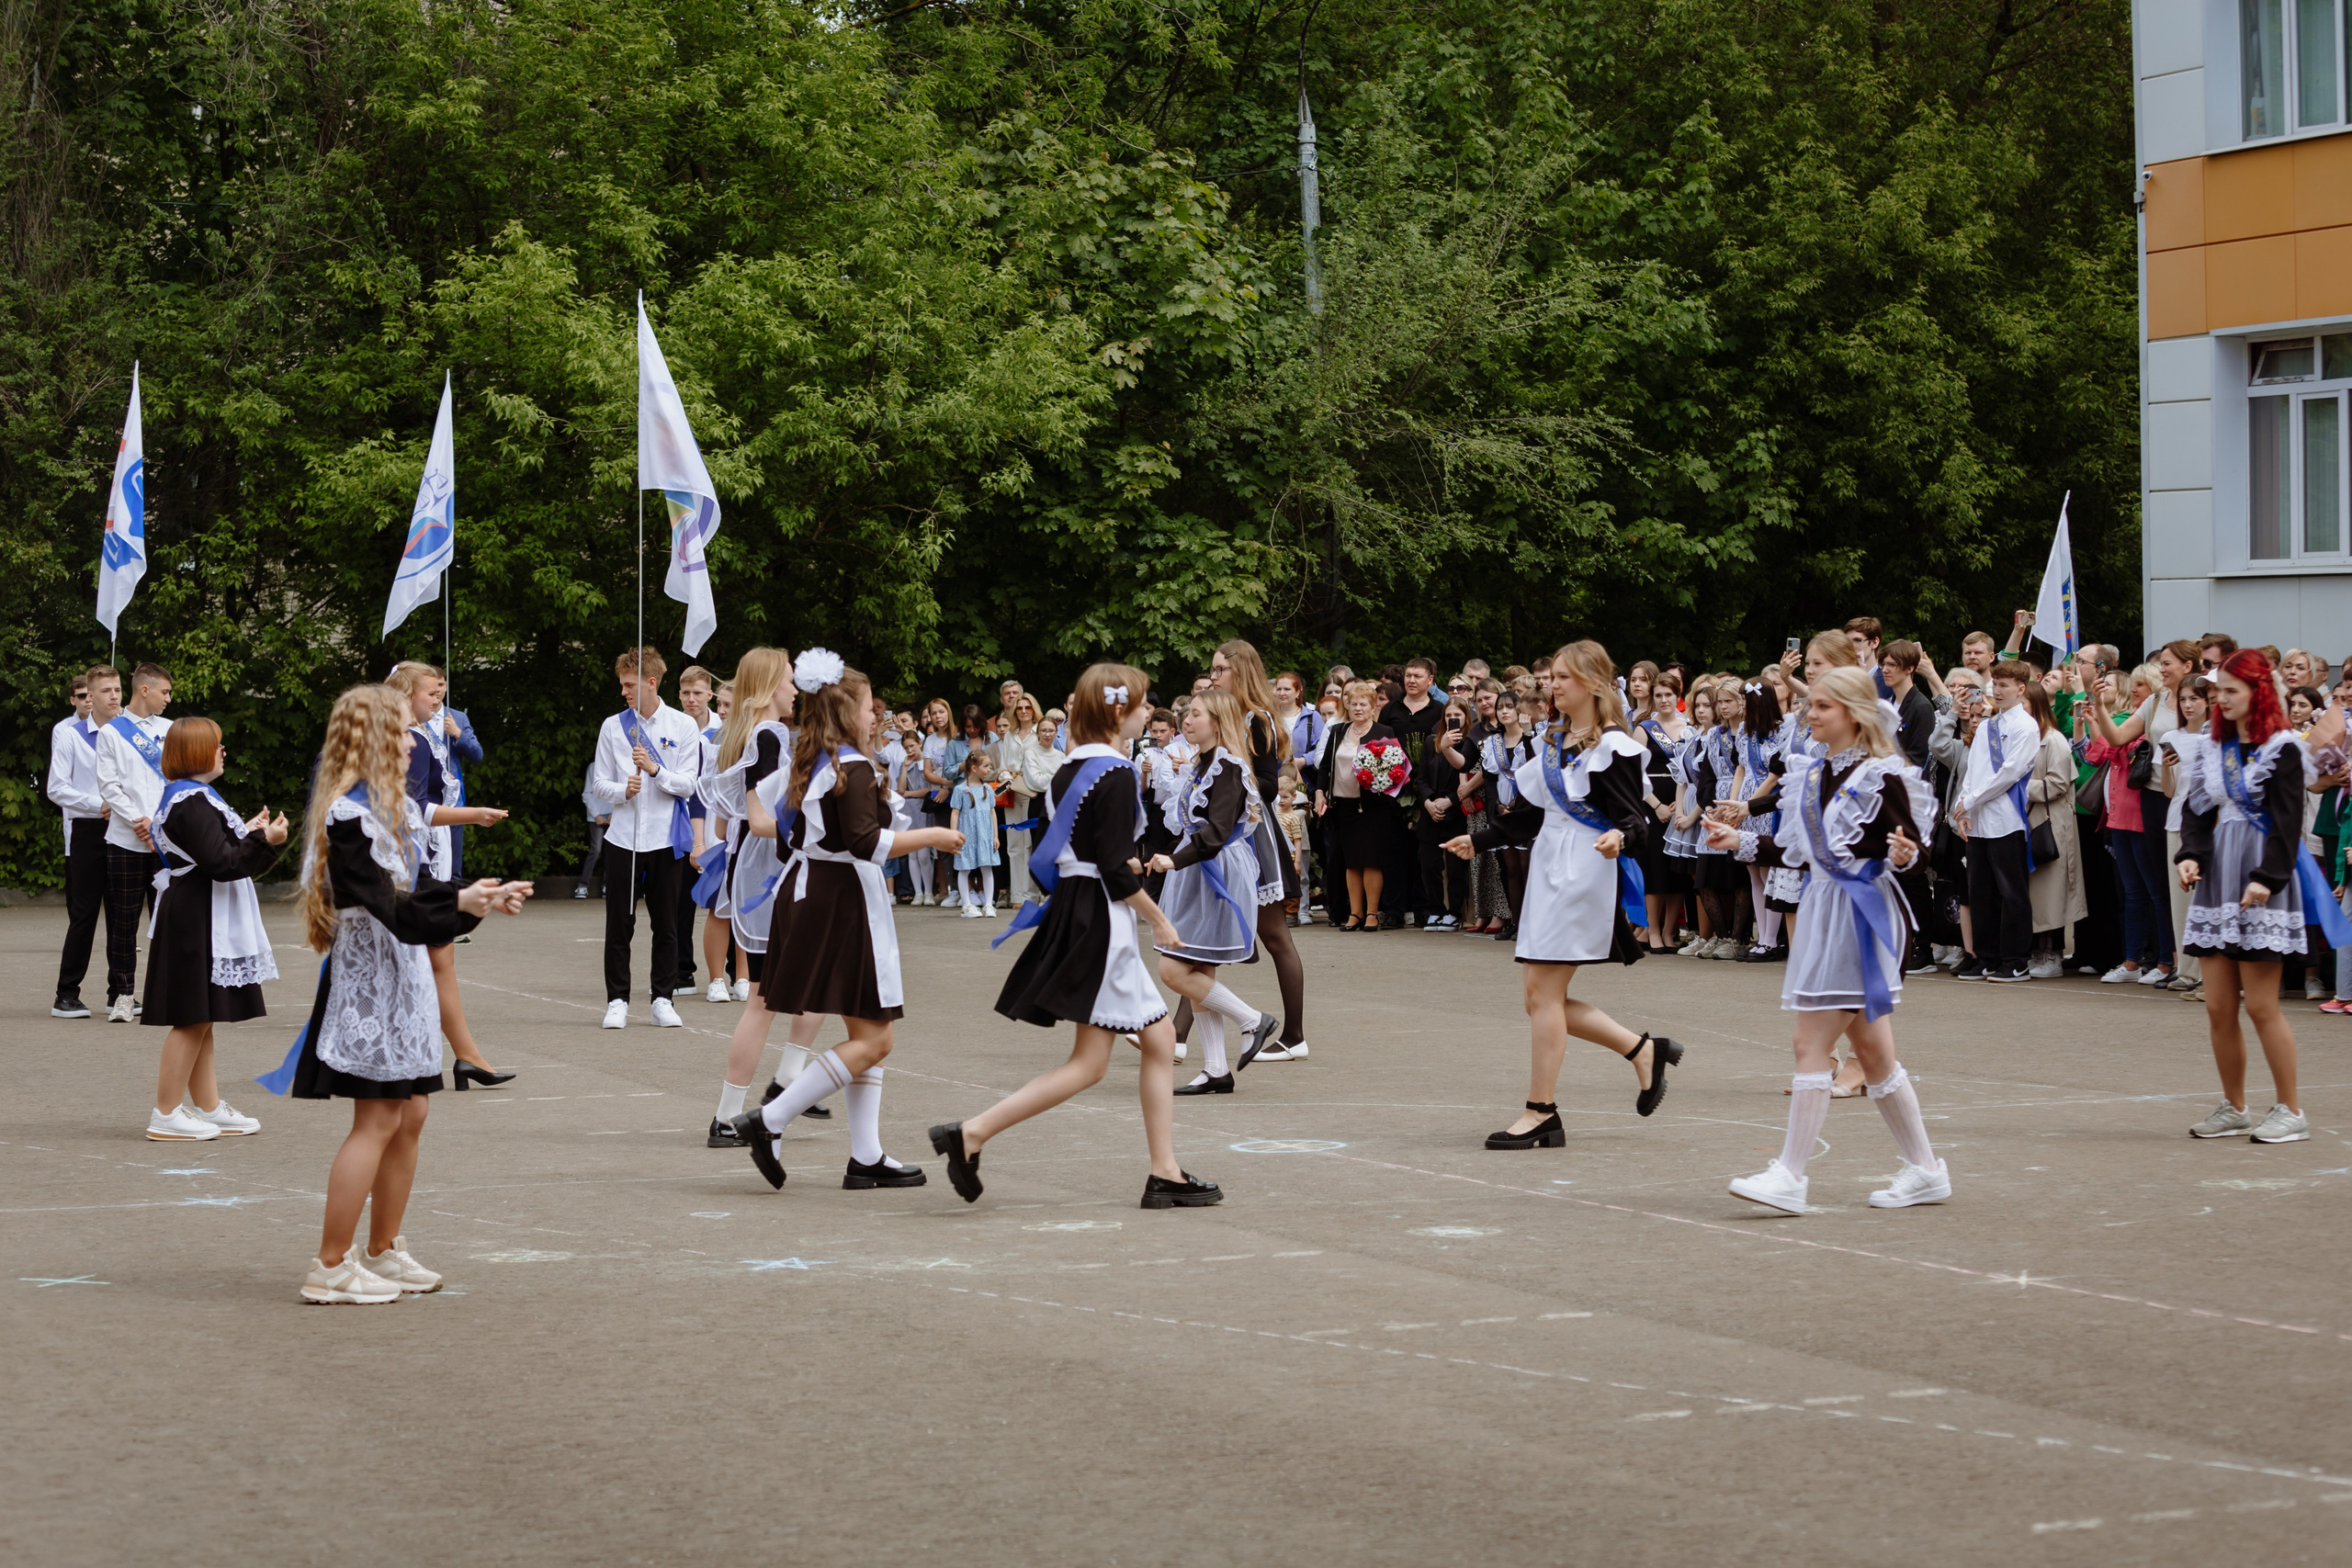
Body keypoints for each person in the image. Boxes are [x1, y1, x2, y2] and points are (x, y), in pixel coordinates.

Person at [932, 664, 1219, 1209]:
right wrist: (1158, 919)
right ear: (1118, 711)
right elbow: (1113, 868)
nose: (1147, 713)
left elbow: (1071, 854)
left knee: (1135, 1047)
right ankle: (973, 1134)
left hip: (1081, 908)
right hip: (1103, 919)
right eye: (1140, 704)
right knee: (1104, 1059)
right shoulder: (1115, 772)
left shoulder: (1070, 768)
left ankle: (1162, 1170)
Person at [288, 684, 532, 1303]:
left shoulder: (390, 807)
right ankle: (329, 1265)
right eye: (400, 731)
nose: (411, 742)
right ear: (370, 738)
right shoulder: (349, 816)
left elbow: (416, 896)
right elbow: (390, 908)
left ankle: (383, 1249)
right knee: (376, 1118)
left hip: (404, 977)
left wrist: (475, 898)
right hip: (370, 983)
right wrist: (460, 901)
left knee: (411, 1112)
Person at [1708, 667, 1949, 1213]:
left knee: (1808, 1042)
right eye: (1810, 705)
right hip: (1824, 909)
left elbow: (1916, 851)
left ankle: (1790, 1175)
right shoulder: (1812, 773)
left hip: (1862, 916)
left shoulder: (1882, 775)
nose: (1810, 714)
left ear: (1854, 714)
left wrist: (1907, 855)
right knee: (1875, 1055)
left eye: (1822, 706)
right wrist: (1739, 840)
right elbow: (1799, 852)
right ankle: (1927, 1171)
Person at [727, 650, 966, 1189]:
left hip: (816, 894)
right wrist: (932, 835)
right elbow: (865, 843)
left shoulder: (814, 760)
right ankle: (771, 1118)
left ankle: (866, 1155)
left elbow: (785, 833)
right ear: (844, 711)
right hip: (842, 901)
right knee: (875, 1038)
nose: (875, 714)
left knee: (869, 1029)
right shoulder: (850, 767)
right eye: (867, 706)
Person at [1441, 640, 1681, 1149]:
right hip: (1549, 866)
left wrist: (1620, 838)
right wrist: (1480, 839)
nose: (1553, 685)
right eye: (1552, 677)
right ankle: (1642, 1051)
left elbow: (1635, 821)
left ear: (1593, 684)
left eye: (1564, 677)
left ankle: (1541, 1111)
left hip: (1583, 872)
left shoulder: (1614, 746)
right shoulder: (1554, 737)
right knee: (1537, 998)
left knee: (1543, 996)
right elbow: (1533, 814)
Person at [2176, 649, 2344, 1144]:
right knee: (2218, 1006)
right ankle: (2234, 1107)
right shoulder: (2214, 746)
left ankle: (2291, 1110)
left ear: (2258, 692)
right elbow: (2196, 811)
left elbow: (2289, 824)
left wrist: (2267, 878)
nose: (2221, 699)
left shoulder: (2283, 748)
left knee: (2262, 1006)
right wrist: (2191, 854)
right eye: (2217, 691)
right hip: (2218, 879)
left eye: (2231, 691)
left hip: (2262, 878)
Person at [140, 717, 288, 1141]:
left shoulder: (191, 797)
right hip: (198, 914)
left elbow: (217, 852)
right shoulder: (190, 801)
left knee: (200, 1016)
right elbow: (222, 864)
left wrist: (254, 834)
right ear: (199, 752)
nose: (224, 751)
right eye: (218, 745)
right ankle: (165, 1113)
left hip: (198, 910)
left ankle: (207, 1107)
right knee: (191, 1017)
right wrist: (265, 841)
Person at [387, 662, 515, 1087]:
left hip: (427, 854)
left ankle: (465, 1055)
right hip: (418, 858)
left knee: (437, 959)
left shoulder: (425, 736)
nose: (439, 699)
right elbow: (415, 809)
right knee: (428, 959)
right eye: (431, 693)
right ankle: (450, 1056)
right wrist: (473, 815)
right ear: (406, 696)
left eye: (440, 691)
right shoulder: (411, 742)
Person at [1151, 688, 1282, 1094]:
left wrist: (1175, 860)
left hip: (1216, 869)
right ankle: (1216, 1070)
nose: (1187, 720)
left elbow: (1218, 832)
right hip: (1199, 867)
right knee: (1198, 970)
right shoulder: (1202, 763)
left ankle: (1252, 1020)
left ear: (1217, 721)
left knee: (1173, 970)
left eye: (1196, 714)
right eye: (1188, 714)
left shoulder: (1227, 767)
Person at [588, 646, 702, 1029]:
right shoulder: (612, 726)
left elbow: (689, 785)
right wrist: (623, 791)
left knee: (667, 924)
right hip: (623, 838)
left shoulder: (683, 726)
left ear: (651, 683)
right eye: (622, 685)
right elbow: (599, 783)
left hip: (666, 839)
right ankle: (617, 1000)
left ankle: (662, 999)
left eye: (629, 685)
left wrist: (655, 770)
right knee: (619, 924)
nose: (623, 691)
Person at [1207, 640, 1309, 1057]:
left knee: (1274, 935)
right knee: (1203, 938)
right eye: (1212, 670)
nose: (1213, 676)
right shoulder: (1224, 714)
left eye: (1220, 669)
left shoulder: (1257, 718)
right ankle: (1174, 1035)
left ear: (1241, 671)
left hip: (1252, 836)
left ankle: (1295, 1036)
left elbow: (1268, 785)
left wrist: (1229, 775)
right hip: (1225, 833)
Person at [1951, 660, 2041, 982]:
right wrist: (1963, 807)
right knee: (1981, 892)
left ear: (2021, 688)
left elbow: (2009, 773)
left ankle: (2016, 960)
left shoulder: (2026, 726)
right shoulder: (1987, 725)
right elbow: (1973, 769)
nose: (1998, 691)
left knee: (2011, 892)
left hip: (2006, 819)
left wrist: (1972, 800)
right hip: (1978, 821)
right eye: (1996, 684)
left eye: (2005, 685)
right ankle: (1986, 957)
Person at [94, 662, 173, 1022]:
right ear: (145, 690)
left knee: (167, 921)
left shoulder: (170, 730)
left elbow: (178, 779)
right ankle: (123, 995)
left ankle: (165, 993)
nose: (168, 699)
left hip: (166, 842)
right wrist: (139, 821)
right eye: (164, 692)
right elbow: (109, 786)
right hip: (126, 840)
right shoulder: (112, 732)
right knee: (123, 923)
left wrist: (158, 824)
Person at [49, 666, 113, 1020]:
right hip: (87, 830)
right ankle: (66, 994)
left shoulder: (127, 733)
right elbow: (57, 788)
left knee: (122, 916)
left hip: (124, 830)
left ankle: (121, 992)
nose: (112, 697)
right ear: (86, 696)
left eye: (117, 690)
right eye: (103, 691)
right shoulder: (69, 734)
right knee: (84, 914)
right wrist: (96, 804)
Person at [1314, 681, 1402, 931]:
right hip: (1342, 805)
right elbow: (1325, 766)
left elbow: (1395, 768)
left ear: (1373, 707)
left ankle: (1372, 913)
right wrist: (1320, 793)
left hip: (1373, 806)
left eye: (1363, 704)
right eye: (1353, 704)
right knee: (1351, 861)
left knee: (1371, 860)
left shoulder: (1384, 731)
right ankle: (1355, 913)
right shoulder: (1338, 731)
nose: (1358, 708)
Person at [2019, 681, 2087, 978]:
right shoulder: (2023, 737)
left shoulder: (2054, 740)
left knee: (2052, 892)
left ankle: (2053, 955)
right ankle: (2037, 953)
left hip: (2050, 823)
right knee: (2035, 893)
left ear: (2035, 705)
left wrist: (2019, 787)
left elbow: (2058, 783)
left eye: (2022, 702)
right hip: (2029, 821)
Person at [1382, 659, 1448, 927]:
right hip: (1393, 789)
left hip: (1426, 789)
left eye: (1418, 676)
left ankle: (1423, 908)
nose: (1411, 680)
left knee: (1423, 853)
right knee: (1393, 851)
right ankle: (1394, 911)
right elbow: (1380, 746)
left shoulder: (1439, 711)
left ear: (1430, 680)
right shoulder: (1390, 709)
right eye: (1408, 675)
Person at [673, 664, 718, 995]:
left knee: (723, 902)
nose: (692, 699)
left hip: (718, 824)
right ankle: (681, 972)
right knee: (679, 902)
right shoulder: (672, 728)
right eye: (686, 693)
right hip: (680, 824)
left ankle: (733, 973)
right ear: (679, 695)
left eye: (698, 693)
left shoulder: (725, 729)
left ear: (709, 695)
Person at [950, 750, 1003, 917]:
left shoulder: (987, 789)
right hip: (967, 837)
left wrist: (995, 836)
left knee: (987, 868)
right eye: (986, 766)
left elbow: (992, 813)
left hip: (985, 836)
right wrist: (953, 836)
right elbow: (955, 813)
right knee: (964, 869)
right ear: (974, 768)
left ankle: (988, 904)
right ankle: (966, 905)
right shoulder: (960, 789)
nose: (989, 769)